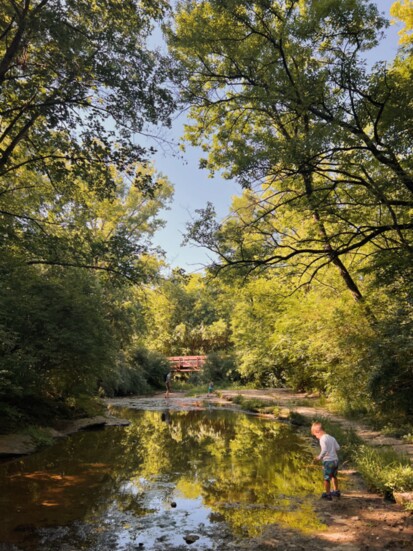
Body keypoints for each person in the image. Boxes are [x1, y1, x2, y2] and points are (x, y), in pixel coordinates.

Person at [311, 421, 341, 500]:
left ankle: (327, 494)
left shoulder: (322, 439)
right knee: (334, 476)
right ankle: (336, 491)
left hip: (328, 462)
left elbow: (324, 450)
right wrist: (332, 452)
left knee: (326, 478)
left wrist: (319, 457)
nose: (316, 437)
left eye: (316, 435)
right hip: (335, 461)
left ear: (318, 431)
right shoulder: (332, 437)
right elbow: (338, 448)